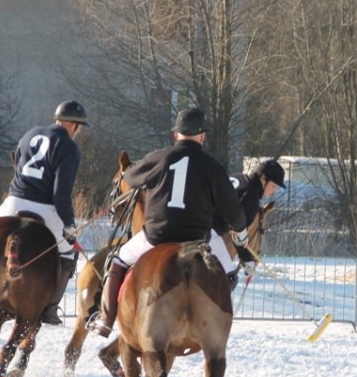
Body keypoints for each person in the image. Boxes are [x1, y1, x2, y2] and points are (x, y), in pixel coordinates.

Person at [86, 107, 247, 338]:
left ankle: (106, 319)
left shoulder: (158, 157)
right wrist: (240, 231)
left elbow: (128, 177)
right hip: (198, 241)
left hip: (157, 237)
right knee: (229, 275)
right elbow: (234, 212)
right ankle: (215, 323)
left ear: (176, 134)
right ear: (202, 136)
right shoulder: (213, 167)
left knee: (118, 259)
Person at [0, 100, 90, 325]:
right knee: (68, 252)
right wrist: (69, 225)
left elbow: (17, 162)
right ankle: (50, 308)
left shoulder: (31, 133)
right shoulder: (69, 147)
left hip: (13, 202)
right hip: (44, 207)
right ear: (74, 125)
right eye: (80, 128)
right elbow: (61, 193)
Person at [211, 159, 286, 286]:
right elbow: (237, 234)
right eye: (273, 186)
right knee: (228, 279)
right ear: (263, 178)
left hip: (194, 223)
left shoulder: (237, 177)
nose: (273, 191)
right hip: (208, 233)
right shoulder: (250, 196)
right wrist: (247, 260)